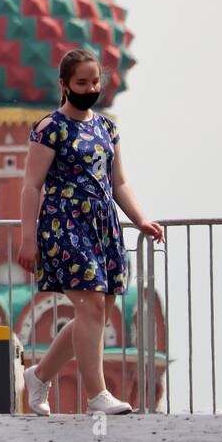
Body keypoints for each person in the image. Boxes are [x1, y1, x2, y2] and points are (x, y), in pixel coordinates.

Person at [16, 47, 164, 416]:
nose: (90, 88)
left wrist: (140, 219)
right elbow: (31, 185)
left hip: (103, 226)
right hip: (64, 225)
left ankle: (39, 375)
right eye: (82, 82)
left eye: (95, 81)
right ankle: (97, 395)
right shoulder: (49, 129)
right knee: (92, 307)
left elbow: (119, 183)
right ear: (64, 85)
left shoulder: (106, 128)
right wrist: (27, 237)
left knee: (95, 312)